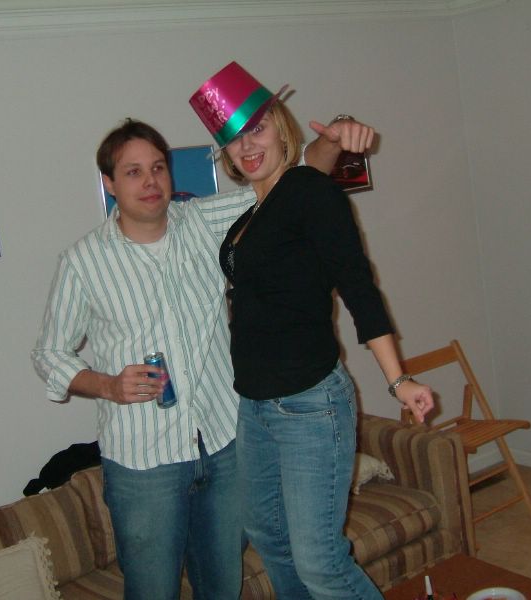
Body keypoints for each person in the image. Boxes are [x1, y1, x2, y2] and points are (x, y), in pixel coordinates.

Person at [31, 114, 375, 600]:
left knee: (221, 588)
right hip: (143, 462)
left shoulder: (204, 222)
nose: (150, 182)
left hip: (224, 445)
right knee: (152, 591)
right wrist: (107, 385)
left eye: (158, 167)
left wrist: (334, 137)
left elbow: (292, 177)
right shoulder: (83, 262)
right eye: (133, 172)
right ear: (109, 183)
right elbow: (48, 353)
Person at [189, 61, 434, 600]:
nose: (247, 146)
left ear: (281, 127)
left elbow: (359, 289)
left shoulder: (309, 192)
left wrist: (398, 380)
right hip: (254, 406)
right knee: (269, 537)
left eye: (257, 128)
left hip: (309, 403)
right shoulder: (250, 213)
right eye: (234, 139)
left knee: (320, 561)